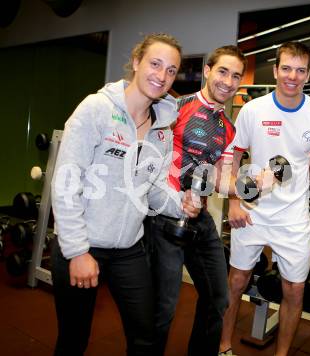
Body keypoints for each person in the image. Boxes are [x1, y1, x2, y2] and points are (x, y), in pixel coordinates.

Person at [50, 33, 199, 356]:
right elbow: (65, 182)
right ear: (136, 62)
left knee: (145, 335)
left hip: (129, 248)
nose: (161, 76)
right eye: (155, 64)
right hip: (82, 243)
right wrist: (77, 251)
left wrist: (180, 205)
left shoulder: (162, 129)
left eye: (171, 70)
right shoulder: (97, 109)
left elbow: (155, 189)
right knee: (74, 339)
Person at [219, 41, 310, 356]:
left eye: (300, 70)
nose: (292, 76)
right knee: (236, 282)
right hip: (252, 210)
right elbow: (233, 155)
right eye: (286, 68)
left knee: (295, 289)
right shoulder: (253, 110)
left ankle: (282, 354)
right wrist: (233, 200)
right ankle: (224, 345)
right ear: (275, 70)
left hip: (293, 216)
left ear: (308, 75)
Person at [145, 45, 247, 356]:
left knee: (219, 297)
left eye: (236, 76)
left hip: (199, 218)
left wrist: (251, 185)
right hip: (164, 215)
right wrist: (172, 195)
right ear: (207, 71)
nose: (228, 82)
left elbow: (221, 178)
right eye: (222, 72)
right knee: (163, 308)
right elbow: (150, 161)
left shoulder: (228, 129)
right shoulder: (176, 109)